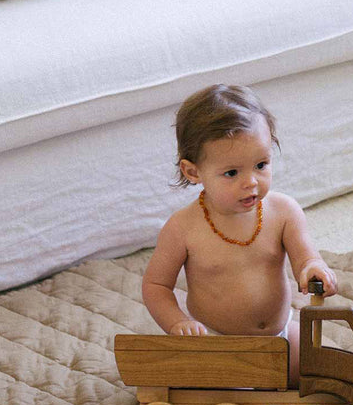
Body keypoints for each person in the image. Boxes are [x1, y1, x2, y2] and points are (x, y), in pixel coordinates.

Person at [142, 84, 337, 383]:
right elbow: (156, 285)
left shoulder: (284, 212)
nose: (251, 183)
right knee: (210, 394)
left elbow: (306, 257)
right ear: (193, 173)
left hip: (280, 332)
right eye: (232, 173)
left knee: (328, 364)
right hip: (218, 342)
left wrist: (313, 268)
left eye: (261, 165)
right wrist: (178, 322)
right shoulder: (183, 228)